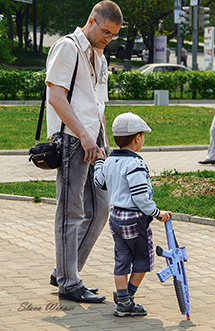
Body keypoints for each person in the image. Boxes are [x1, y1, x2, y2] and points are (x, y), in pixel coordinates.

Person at [46, 1, 123, 303]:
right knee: (71, 211)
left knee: (100, 210)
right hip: (72, 141)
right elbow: (56, 96)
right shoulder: (68, 47)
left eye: (113, 35)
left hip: (94, 144)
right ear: (91, 21)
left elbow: (97, 105)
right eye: (105, 32)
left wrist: (103, 143)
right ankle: (68, 282)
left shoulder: (100, 56)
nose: (108, 38)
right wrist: (83, 136)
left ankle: (65, 271)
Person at [93, 112, 172, 317]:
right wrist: (157, 213)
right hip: (134, 220)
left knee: (121, 260)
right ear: (137, 138)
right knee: (142, 261)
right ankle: (126, 300)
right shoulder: (135, 164)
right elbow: (140, 197)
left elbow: (99, 183)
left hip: (116, 217)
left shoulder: (110, 160)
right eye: (143, 135)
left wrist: (99, 163)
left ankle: (123, 298)